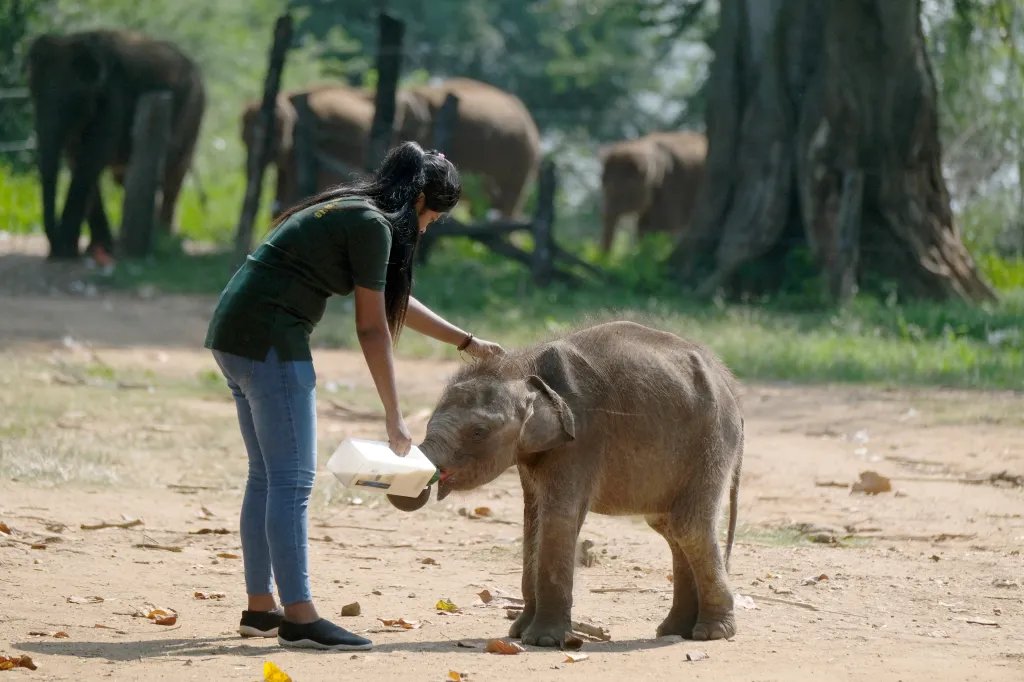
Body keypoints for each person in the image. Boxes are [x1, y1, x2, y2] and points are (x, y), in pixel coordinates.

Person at [204, 141, 504, 651]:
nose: (426, 229)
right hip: (271, 341)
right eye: (433, 219)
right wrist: (394, 416)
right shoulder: (374, 226)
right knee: (293, 481)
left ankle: (261, 608)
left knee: (267, 477)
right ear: (420, 200)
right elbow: (371, 329)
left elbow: (393, 300)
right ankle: (300, 617)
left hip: (233, 334)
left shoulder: (354, 209)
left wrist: (467, 342)